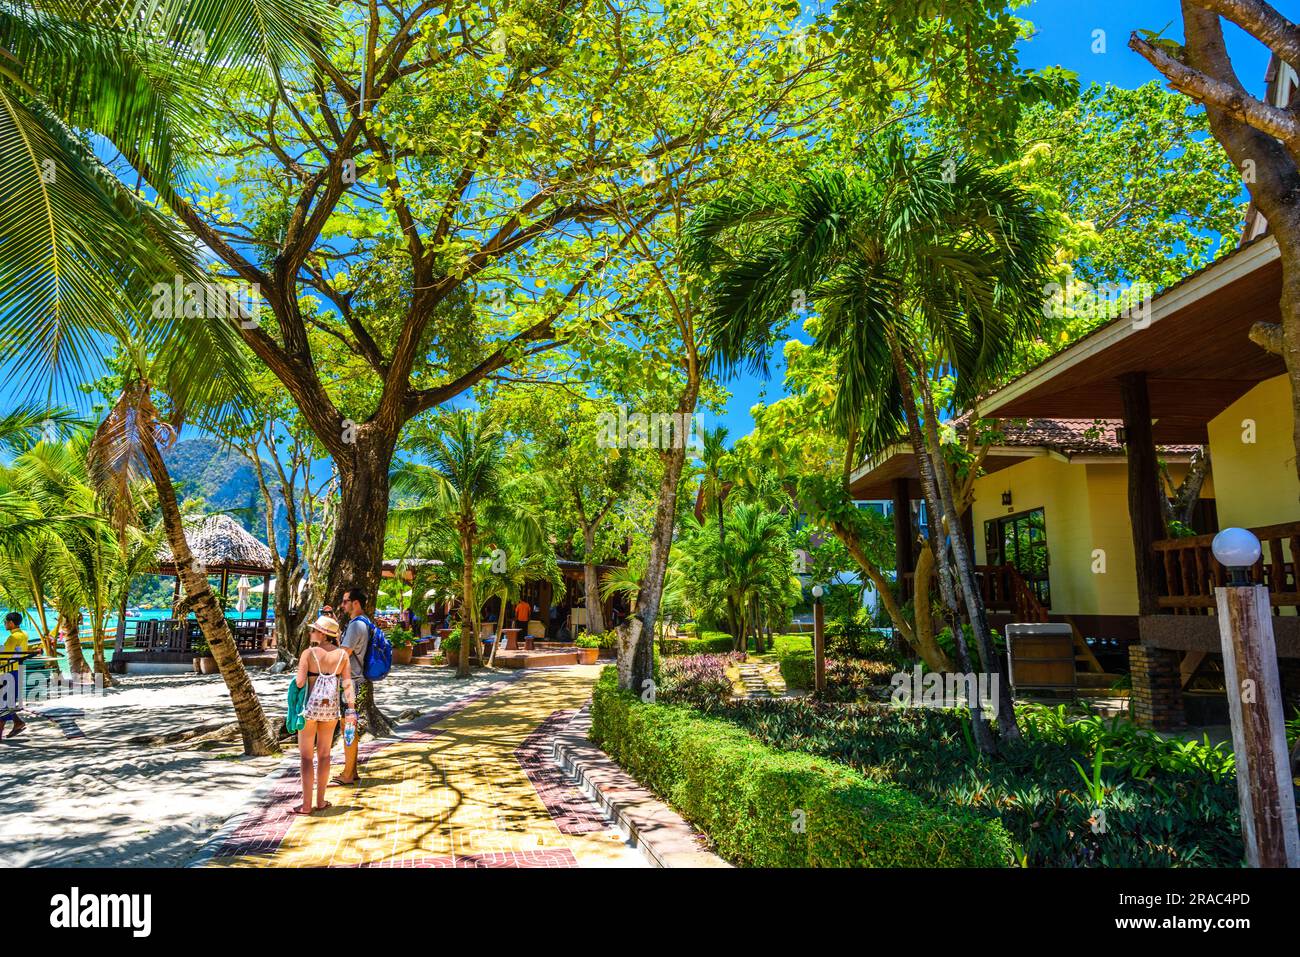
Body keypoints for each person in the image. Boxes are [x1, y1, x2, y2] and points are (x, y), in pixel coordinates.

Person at [293, 616, 354, 814]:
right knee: (325, 755)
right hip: (331, 711)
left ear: (322, 634)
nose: (311, 633)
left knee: (306, 757)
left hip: (309, 710)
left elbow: (300, 682)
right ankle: (320, 801)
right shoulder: (343, 656)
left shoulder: (308, 653)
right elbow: (347, 684)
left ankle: (305, 805)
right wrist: (351, 709)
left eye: (314, 630)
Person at [332, 588, 370, 786]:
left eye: (346, 601)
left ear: (356, 603)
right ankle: (351, 770)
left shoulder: (356, 625)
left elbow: (343, 654)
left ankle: (347, 774)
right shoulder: (365, 623)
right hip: (357, 681)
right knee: (351, 727)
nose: (343, 605)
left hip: (350, 683)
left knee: (348, 727)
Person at [1, 613, 28, 740]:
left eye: (5, 621)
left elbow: (4, 657)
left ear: (11, 623)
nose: (4, 624)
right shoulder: (24, 635)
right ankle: (18, 723)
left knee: (3, 703)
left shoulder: (12, 638)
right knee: (7, 702)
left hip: (8, 672)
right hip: (17, 671)